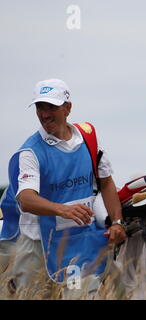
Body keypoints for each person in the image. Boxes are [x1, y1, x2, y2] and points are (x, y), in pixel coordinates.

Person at [0, 79, 126, 294]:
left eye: (51, 107)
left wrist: (117, 222)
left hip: (80, 241)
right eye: (40, 107)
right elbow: (26, 199)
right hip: (37, 246)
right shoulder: (30, 151)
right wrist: (63, 209)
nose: (45, 114)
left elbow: (106, 181)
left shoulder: (89, 139)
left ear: (68, 108)